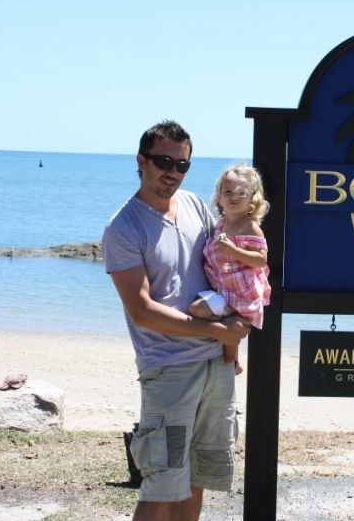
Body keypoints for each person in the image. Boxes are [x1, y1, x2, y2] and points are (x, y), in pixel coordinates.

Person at [102, 120, 250, 521]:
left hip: (215, 366)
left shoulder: (195, 206)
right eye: (164, 161)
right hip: (168, 370)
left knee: (198, 479)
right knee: (162, 487)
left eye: (182, 164)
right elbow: (142, 310)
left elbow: (222, 274)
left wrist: (228, 344)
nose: (173, 171)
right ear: (141, 160)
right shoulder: (123, 228)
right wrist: (217, 331)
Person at [189, 163, 271, 375]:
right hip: (224, 291)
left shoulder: (250, 227)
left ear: (252, 199)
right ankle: (232, 359)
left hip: (241, 295)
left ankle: (230, 340)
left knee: (197, 310)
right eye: (228, 192)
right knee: (224, 342)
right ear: (219, 197)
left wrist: (234, 251)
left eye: (241, 193)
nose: (234, 197)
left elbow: (261, 260)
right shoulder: (221, 225)